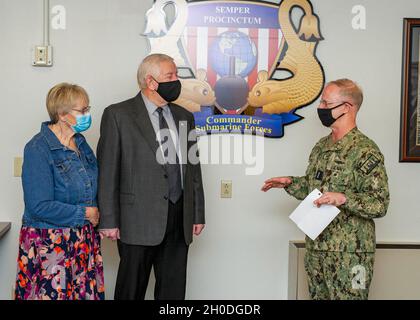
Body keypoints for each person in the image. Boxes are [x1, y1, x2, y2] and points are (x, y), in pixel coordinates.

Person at [261, 79, 389, 300]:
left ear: (347, 107)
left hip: (350, 254)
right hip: (317, 248)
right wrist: (290, 183)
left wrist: (343, 199)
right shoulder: (322, 146)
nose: (320, 108)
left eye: (326, 103)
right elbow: (316, 190)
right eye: (321, 103)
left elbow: (379, 204)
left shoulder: (365, 151)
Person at [97, 53, 205, 300]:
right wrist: (109, 220)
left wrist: (197, 213)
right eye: (170, 76)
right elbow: (108, 171)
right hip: (136, 221)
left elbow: (193, 170)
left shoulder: (184, 117)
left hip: (179, 220)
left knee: (173, 294)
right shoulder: (118, 115)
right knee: (130, 291)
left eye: (176, 75)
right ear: (151, 81)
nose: (177, 81)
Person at [15, 83, 104, 300]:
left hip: (82, 240)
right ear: (63, 114)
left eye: (87, 109)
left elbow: (92, 187)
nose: (87, 115)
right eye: (82, 111)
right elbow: (38, 206)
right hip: (50, 244)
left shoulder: (81, 144)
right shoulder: (38, 148)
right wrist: (85, 213)